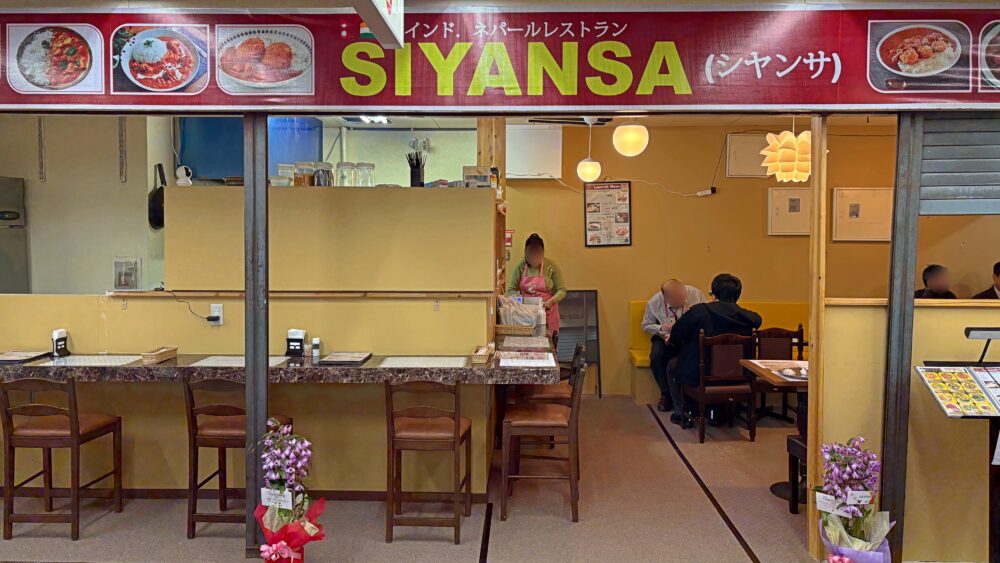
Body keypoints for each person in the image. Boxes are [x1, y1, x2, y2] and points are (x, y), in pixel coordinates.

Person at [665, 273, 762, 425]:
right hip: (739, 374)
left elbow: (677, 335)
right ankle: (720, 412)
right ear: (738, 295)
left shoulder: (699, 311)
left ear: (714, 294)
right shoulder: (750, 318)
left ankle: (681, 412)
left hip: (701, 374)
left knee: (672, 365)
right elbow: (758, 320)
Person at [642, 279, 706, 412]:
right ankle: (666, 394)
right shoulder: (654, 302)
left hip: (689, 337)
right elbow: (645, 325)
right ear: (666, 298)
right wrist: (660, 328)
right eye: (675, 299)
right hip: (663, 337)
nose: (680, 301)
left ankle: (690, 396)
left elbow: (706, 317)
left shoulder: (696, 295)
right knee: (656, 356)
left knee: (696, 355)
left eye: (681, 297)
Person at [506, 233, 567, 346]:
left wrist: (551, 301)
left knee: (548, 347)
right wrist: (520, 301)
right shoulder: (520, 266)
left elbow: (562, 290)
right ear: (525, 252)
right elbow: (511, 290)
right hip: (525, 316)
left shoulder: (551, 266)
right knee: (526, 347)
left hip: (548, 314)